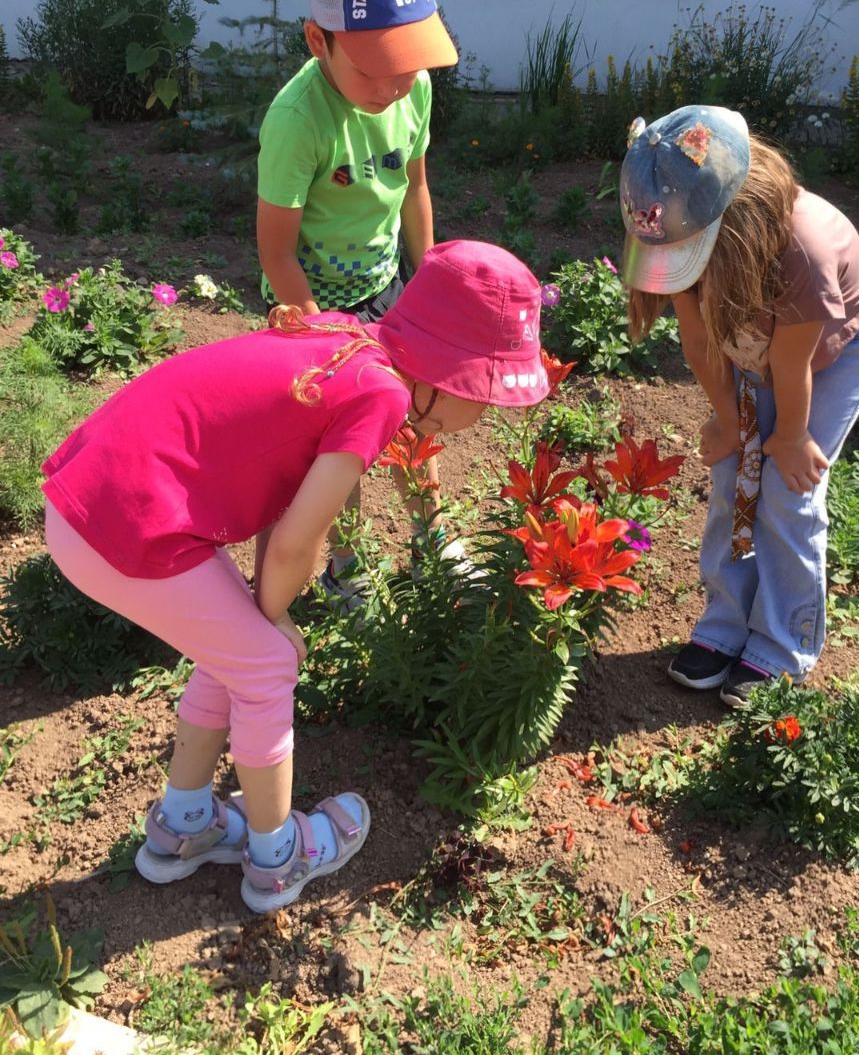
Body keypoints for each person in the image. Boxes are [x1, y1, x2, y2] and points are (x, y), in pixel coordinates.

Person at [42, 241, 550, 912]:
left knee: (236, 650)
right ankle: (276, 858)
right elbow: (295, 541)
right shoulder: (383, 395)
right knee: (266, 663)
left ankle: (182, 828)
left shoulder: (344, 337)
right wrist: (275, 616)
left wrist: (258, 611)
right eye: (485, 395)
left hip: (105, 494)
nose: (483, 416)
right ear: (450, 372)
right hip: (121, 521)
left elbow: (270, 483)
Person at [619, 107, 859, 707]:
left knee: (787, 493)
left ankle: (782, 643)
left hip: (832, 345)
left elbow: (792, 365)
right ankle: (724, 625)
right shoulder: (688, 227)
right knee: (732, 478)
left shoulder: (802, 249)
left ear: (729, 220)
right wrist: (727, 421)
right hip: (753, 336)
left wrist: (788, 437)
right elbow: (697, 342)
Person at [256, 0, 460, 609]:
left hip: (384, 289)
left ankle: (432, 535)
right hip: (307, 306)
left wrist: (426, 279)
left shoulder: (414, 92)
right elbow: (276, 251)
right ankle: (347, 562)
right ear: (319, 42)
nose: (395, 83)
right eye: (375, 67)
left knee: (410, 417)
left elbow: (416, 187)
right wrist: (320, 336)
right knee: (335, 443)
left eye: (408, 61)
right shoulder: (297, 120)